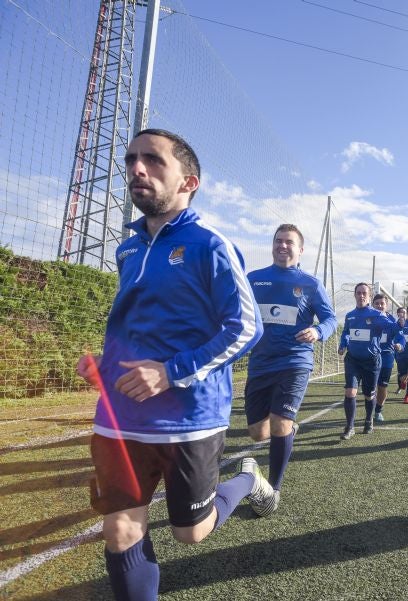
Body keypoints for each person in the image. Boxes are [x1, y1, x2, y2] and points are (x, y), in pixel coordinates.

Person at [76, 129, 267, 601]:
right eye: (131, 160)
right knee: (120, 530)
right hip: (120, 417)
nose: (137, 169)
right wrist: (109, 361)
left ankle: (246, 480)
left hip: (189, 418)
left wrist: (170, 371)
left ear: (189, 182)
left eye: (153, 161)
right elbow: (139, 323)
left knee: (191, 532)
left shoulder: (210, 244)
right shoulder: (127, 248)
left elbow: (245, 328)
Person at [244, 223, 337, 514]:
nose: (282, 246)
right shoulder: (253, 279)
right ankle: (288, 431)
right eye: (278, 241)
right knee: (258, 433)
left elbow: (331, 319)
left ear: (300, 250)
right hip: (260, 363)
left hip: (295, 361)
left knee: (280, 424)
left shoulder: (310, 284)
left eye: (289, 242)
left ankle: (273, 490)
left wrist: (318, 331)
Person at [338, 283, 397, 438]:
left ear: (369, 296)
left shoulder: (377, 314)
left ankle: (369, 420)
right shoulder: (350, 315)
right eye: (359, 293)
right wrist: (343, 344)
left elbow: (392, 329)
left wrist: (399, 324)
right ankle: (349, 427)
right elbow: (346, 332)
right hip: (353, 360)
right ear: (355, 295)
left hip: (371, 361)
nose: (361, 295)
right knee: (350, 392)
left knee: (369, 394)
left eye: (364, 293)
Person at [371, 293, 401, 423]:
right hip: (370, 356)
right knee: (371, 387)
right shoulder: (368, 318)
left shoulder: (392, 320)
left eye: (382, 303)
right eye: (377, 303)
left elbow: (400, 336)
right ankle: (369, 409)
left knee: (382, 386)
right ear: (373, 305)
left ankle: (378, 411)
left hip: (387, 356)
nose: (379, 306)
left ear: (386, 305)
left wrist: (400, 344)